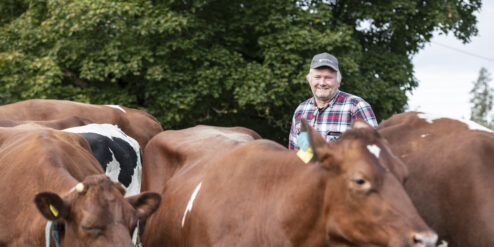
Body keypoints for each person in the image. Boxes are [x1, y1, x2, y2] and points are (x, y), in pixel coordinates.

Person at [288, 52, 378, 150]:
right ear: (309, 80)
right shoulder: (300, 110)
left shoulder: (356, 107)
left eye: (328, 78)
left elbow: (375, 151)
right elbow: (293, 152)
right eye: (317, 77)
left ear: (338, 81)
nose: (322, 83)